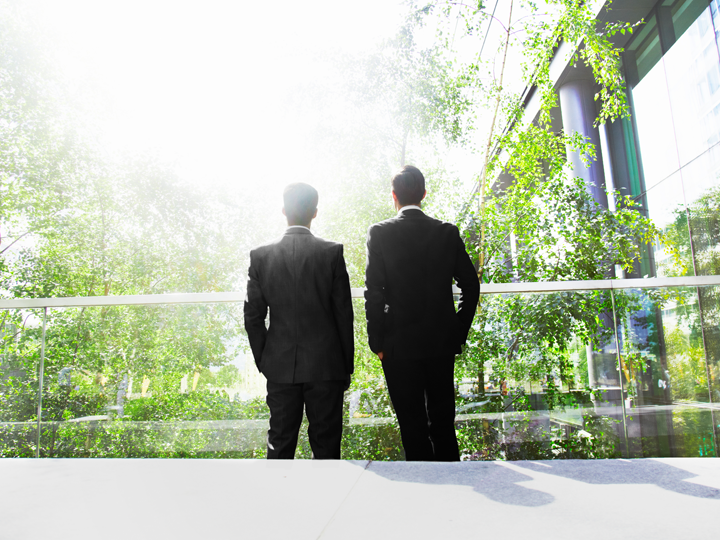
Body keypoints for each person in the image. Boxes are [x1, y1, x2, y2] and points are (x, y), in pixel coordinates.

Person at [364, 165, 479, 461]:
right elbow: (470, 285)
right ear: (424, 194)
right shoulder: (447, 233)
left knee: (411, 427)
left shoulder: (379, 233)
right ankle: (453, 491)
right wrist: (457, 330)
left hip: (397, 346)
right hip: (441, 343)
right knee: (442, 425)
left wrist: (376, 342)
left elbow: (373, 292)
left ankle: (423, 498)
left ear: (394, 196)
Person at [244, 183, 354, 459]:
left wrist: (265, 360)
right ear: (315, 213)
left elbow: (253, 317)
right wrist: (346, 366)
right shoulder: (332, 253)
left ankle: (279, 501)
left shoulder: (261, 257)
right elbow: (344, 315)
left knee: (279, 444)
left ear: (283, 211)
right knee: (326, 448)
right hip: (326, 367)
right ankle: (328, 501)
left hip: (279, 367)